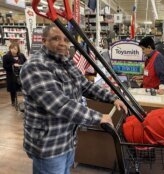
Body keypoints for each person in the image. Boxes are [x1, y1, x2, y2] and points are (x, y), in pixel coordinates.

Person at [19, 24, 127, 174]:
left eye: (65, 39)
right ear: (43, 41)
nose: (62, 43)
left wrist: (112, 98)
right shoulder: (35, 66)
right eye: (56, 38)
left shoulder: (67, 62)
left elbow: (86, 86)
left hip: (68, 139)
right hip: (48, 145)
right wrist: (98, 117)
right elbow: (59, 104)